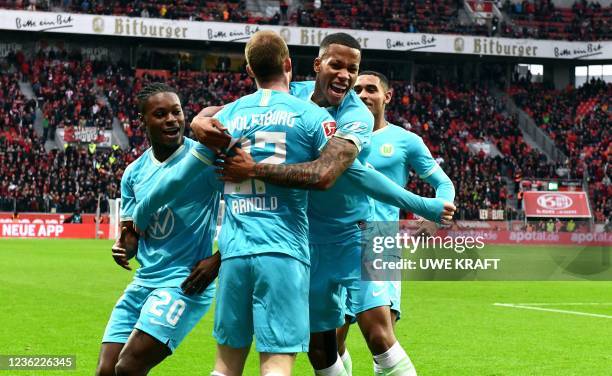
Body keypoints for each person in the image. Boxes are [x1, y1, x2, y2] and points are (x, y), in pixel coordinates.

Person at [193, 33, 455, 376]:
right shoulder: (295, 97)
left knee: (378, 334)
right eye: (337, 65)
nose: (347, 77)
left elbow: (338, 173)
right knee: (321, 348)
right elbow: (232, 108)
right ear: (317, 65)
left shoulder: (357, 118)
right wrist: (198, 120)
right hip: (308, 243)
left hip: (361, 236)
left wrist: (428, 205)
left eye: (354, 69)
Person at [133, 31, 338, 376]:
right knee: (276, 363)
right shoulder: (312, 117)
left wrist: (135, 216)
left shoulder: (225, 118)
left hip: (233, 256)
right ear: (288, 65)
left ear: (248, 71)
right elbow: (344, 174)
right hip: (283, 253)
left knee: (225, 367)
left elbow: (174, 181)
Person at [95, 83, 221, 376]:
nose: (171, 120)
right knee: (105, 370)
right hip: (143, 282)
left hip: (184, 283)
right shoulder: (133, 174)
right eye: (160, 114)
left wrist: (218, 259)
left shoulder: (204, 160)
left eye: (176, 112)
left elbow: (247, 212)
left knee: (128, 367)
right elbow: (131, 236)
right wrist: (123, 247)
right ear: (143, 122)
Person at [335, 71, 455, 376]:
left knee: (380, 337)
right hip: (336, 239)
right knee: (330, 342)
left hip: (378, 243)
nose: (362, 95)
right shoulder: (335, 134)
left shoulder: (405, 141)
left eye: (371, 89)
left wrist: (432, 215)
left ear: (386, 97)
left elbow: (443, 183)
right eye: (357, 89)